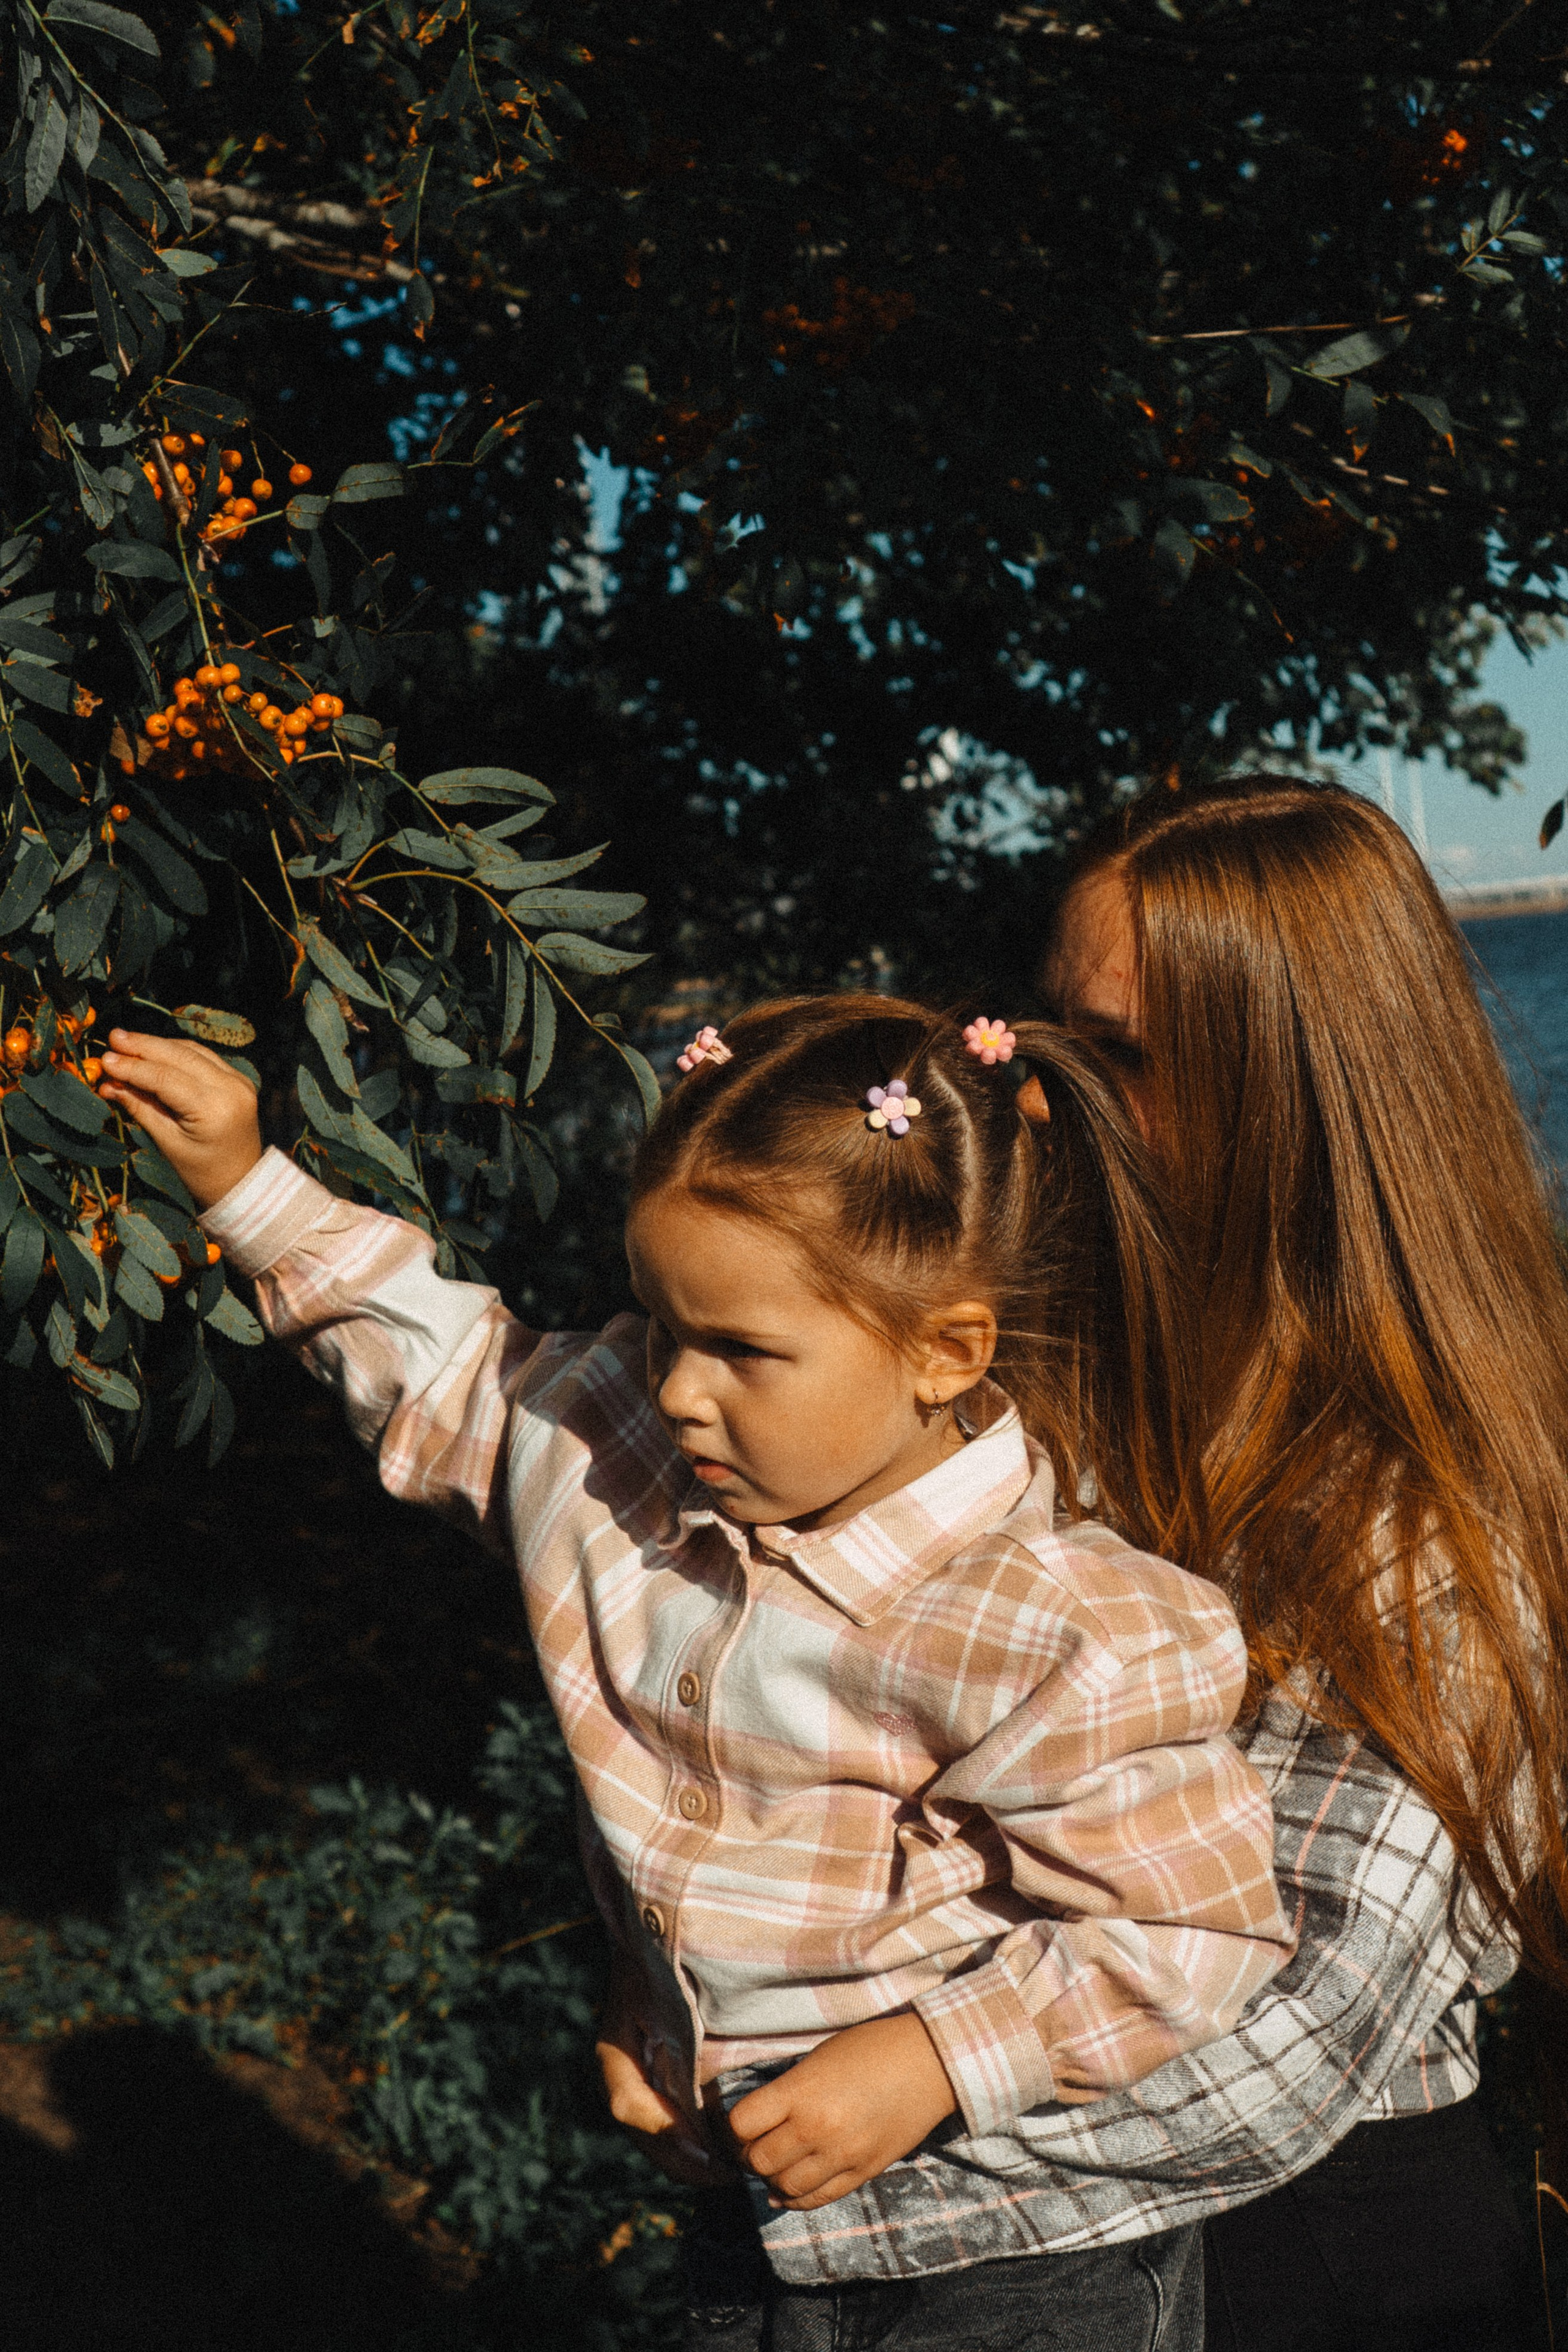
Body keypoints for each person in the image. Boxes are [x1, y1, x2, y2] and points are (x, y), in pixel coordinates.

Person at [97, 995, 1294, 2352]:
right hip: (745, 2204)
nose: (675, 1388)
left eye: (741, 1350)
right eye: (662, 1325)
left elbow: (1195, 1930)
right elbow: (439, 1365)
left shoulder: (1050, 1628)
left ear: (943, 1351)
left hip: (1018, 2243)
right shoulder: (611, 1463)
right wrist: (247, 1188)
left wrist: (934, 2061)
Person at [1022, 771, 1568, 2351]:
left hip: (1316, 2265)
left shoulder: (1435, 1511)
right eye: (1047, 1038)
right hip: (1071, 2263)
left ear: (1295, 1086)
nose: (1044, 1100)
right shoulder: (1065, 1396)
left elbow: (1287, 2039)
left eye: (1113, 1055)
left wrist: (826, 2136)